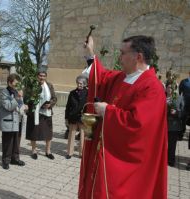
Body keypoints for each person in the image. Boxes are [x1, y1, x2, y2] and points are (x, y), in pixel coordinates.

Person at [79, 35, 167, 198]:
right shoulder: (122, 77)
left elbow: (138, 125)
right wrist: (90, 54)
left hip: (127, 166)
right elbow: (101, 77)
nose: (119, 56)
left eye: (122, 52)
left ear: (138, 57)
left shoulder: (152, 87)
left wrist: (108, 111)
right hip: (104, 150)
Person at [26, 68, 57, 160]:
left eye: (44, 76)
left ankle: (48, 151)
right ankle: (34, 151)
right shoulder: (32, 85)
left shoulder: (49, 85)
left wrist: (50, 104)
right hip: (35, 112)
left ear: (46, 77)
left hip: (46, 112)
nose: (42, 77)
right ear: (37, 76)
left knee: (48, 133)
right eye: (40, 75)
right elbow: (26, 98)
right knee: (34, 132)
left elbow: (54, 98)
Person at [0, 74, 28, 170]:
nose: (17, 85)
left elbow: (20, 105)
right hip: (8, 121)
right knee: (7, 141)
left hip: (18, 120)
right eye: (15, 83)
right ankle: (6, 161)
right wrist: (18, 98)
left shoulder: (16, 92)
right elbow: (9, 106)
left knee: (16, 141)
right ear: (9, 83)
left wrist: (25, 107)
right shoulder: (4, 93)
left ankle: (15, 158)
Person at [65, 75, 87, 159]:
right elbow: (67, 106)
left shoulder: (88, 93)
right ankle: (69, 153)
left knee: (82, 135)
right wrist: (66, 117)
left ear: (84, 84)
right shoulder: (72, 93)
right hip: (73, 117)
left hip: (83, 118)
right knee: (71, 134)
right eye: (78, 83)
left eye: (81, 84)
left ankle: (81, 153)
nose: (79, 85)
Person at [166, 83, 184, 167]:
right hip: (163, 125)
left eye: (171, 87)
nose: (169, 89)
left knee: (172, 144)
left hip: (174, 126)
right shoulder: (161, 97)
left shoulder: (179, 98)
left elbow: (183, 113)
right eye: (168, 87)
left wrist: (176, 112)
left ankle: (170, 160)